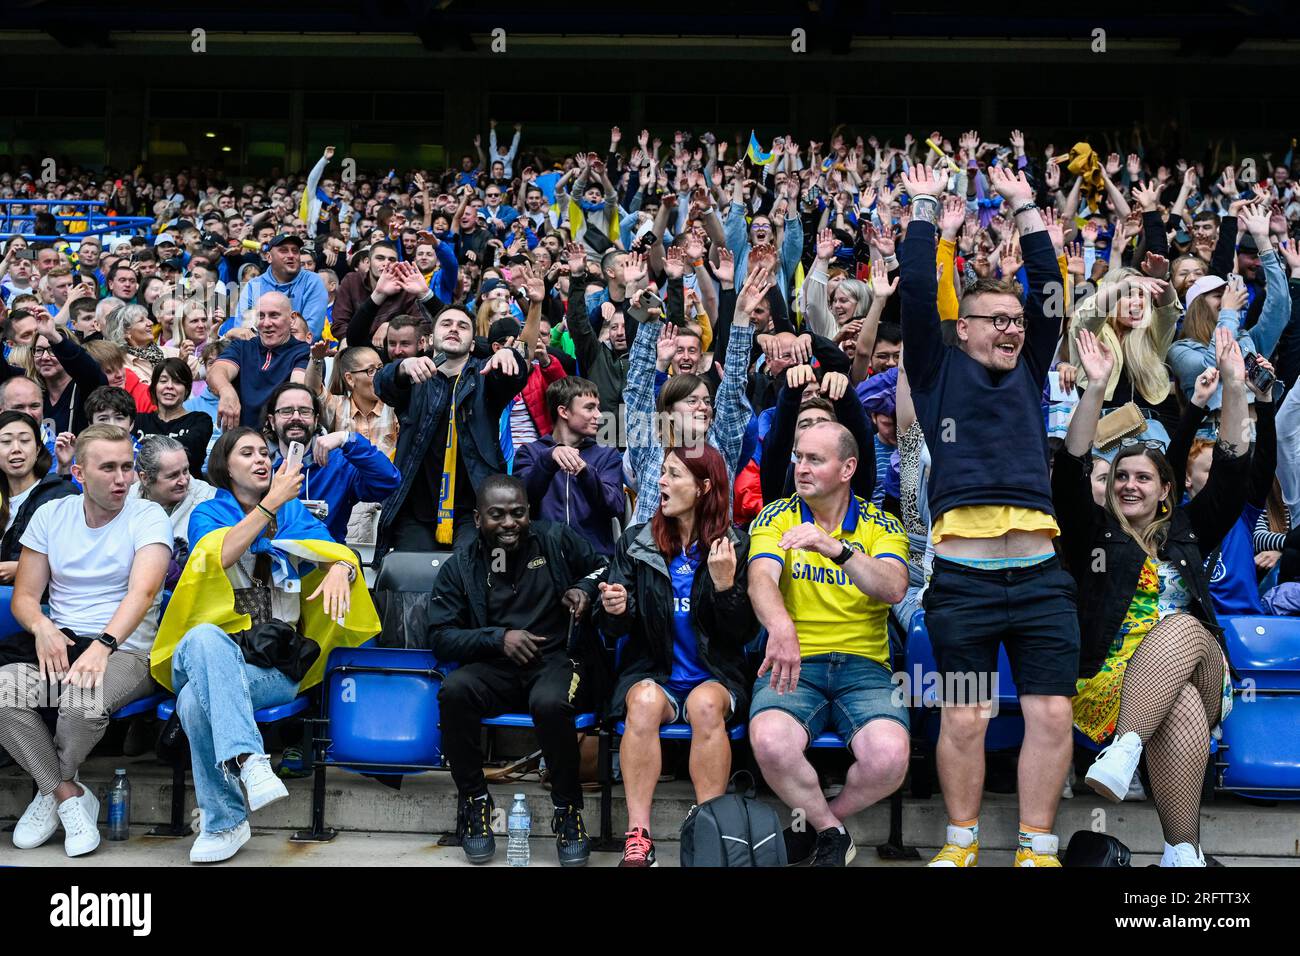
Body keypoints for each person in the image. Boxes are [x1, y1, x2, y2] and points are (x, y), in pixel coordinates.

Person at [899, 163, 1078, 867]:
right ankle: (962, 842)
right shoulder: (936, 369)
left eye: (1016, 321)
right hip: (964, 589)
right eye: (997, 320)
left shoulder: (1032, 366)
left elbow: (1053, 294)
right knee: (966, 717)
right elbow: (917, 288)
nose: (1012, 329)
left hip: (1039, 579)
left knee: (1051, 713)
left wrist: (1026, 206)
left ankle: (1037, 847)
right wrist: (920, 208)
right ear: (963, 327)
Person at [1056, 328, 1250, 867]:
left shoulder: (1188, 530)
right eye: (1121, 476)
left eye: (1144, 477)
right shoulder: (1093, 535)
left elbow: (1233, 472)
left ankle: (1128, 750)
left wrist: (1234, 387)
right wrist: (1095, 389)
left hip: (1202, 664)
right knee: (1180, 699)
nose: (1130, 485)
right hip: (1111, 684)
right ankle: (1181, 852)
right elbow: (1068, 472)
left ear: (1166, 489)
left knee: (1182, 626)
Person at [149, 427, 376, 863]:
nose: (261, 460)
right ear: (224, 467)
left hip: (272, 664)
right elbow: (220, 555)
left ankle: (225, 822)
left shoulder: (291, 513)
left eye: (264, 453)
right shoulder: (207, 513)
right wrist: (269, 503)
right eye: (246, 453)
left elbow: (340, 554)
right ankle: (251, 758)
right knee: (203, 638)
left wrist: (337, 570)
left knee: (195, 705)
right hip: (201, 653)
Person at [0, 425, 172, 857]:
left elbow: (144, 592)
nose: (122, 479)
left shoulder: (147, 516)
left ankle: (50, 787)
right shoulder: (51, 515)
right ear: (79, 472)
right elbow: (24, 597)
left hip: (129, 651)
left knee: (81, 702)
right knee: (3, 692)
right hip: (62, 643)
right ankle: (65, 793)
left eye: (128, 467)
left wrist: (103, 646)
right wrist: (43, 628)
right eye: (109, 468)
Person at [747, 422, 910, 866]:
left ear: (847, 468)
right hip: (795, 660)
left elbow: (894, 587)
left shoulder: (881, 523)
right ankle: (833, 834)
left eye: (814, 459)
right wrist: (780, 630)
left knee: (890, 758)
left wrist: (835, 548)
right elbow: (761, 580)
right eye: (798, 457)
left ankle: (820, 826)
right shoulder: (777, 515)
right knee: (769, 741)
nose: (801, 467)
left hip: (866, 666)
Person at [427, 475, 607, 866]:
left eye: (518, 513)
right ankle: (475, 804)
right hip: (495, 667)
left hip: (556, 660)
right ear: (477, 519)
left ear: (529, 513)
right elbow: (441, 636)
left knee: (550, 702)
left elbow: (603, 568)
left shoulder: (556, 540)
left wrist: (584, 591)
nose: (509, 522)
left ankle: (568, 810)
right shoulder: (461, 566)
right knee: (454, 691)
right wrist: (498, 638)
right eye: (497, 515)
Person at [596, 444, 757, 866]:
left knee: (705, 705)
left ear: (704, 487)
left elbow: (744, 634)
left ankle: (709, 830)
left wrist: (726, 587)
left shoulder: (735, 545)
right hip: (655, 672)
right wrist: (615, 609)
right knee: (644, 702)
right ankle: (638, 834)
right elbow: (615, 628)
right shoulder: (638, 542)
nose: (661, 483)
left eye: (673, 475)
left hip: (715, 675)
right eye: (662, 473)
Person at [374, 299, 533, 554]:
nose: (453, 329)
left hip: (473, 511)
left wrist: (509, 354)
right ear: (429, 339)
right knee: (413, 584)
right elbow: (382, 385)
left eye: (462, 326)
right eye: (446, 323)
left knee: (467, 580)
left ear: (472, 343)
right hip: (415, 511)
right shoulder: (415, 376)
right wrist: (402, 367)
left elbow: (514, 377)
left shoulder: (485, 375)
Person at [262, 381, 400, 547]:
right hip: (269, 564)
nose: (296, 417)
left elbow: (388, 481)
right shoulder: (258, 465)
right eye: (286, 411)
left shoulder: (338, 462)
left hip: (328, 565)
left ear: (315, 420)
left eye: (305, 411)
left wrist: (347, 439)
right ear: (271, 420)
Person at [514, 376, 625, 555]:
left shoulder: (606, 455)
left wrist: (586, 473)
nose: (599, 415)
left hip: (594, 558)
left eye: (598, 407)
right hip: (542, 558)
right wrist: (547, 460)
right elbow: (521, 503)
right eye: (590, 408)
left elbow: (615, 507)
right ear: (564, 412)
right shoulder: (530, 453)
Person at [206, 292, 311, 429]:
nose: (266, 323)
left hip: (279, 439)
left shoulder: (303, 351)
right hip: (240, 438)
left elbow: (297, 390)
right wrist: (226, 391)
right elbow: (216, 371)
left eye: (274, 315)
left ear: (292, 318)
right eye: (261, 316)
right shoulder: (243, 346)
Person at [128, 435, 217, 586]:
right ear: (145, 478)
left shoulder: (209, 499)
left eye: (185, 471)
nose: (183, 481)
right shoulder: (124, 502)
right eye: (173, 475)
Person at [0, 411, 77, 584]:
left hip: (43, 602)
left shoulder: (60, 494)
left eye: (25, 441)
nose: (16, 449)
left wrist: (19, 568)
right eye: (6, 442)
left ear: (38, 448)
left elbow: (75, 560)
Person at [236, 234, 329, 341]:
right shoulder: (253, 286)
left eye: (295, 251)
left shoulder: (313, 281)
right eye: (284, 251)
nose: (291, 255)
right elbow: (244, 330)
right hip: (258, 353)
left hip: (299, 353)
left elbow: (310, 331)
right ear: (269, 257)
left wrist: (270, 339)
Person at [134, 358, 214, 478]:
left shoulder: (200, 421)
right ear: (154, 387)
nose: (169, 386)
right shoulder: (138, 421)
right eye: (163, 381)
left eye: (177, 382)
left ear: (187, 389)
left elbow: (190, 453)